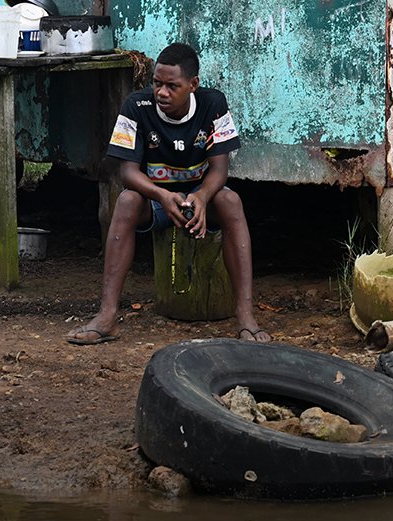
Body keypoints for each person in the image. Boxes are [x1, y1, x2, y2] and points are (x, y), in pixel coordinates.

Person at [66, 42, 269, 345]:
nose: (161, 92)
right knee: (126, 200)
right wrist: (162, 196)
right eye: (157, 83)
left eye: (172, 86)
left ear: (193, 85)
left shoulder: (214, 104)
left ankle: (245, 318)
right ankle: (107, 316)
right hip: (156, 202)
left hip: (202, 200)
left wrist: (201, 197)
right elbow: (128, 174)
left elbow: (219, 171)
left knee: (230, 200)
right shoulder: (136, 106)